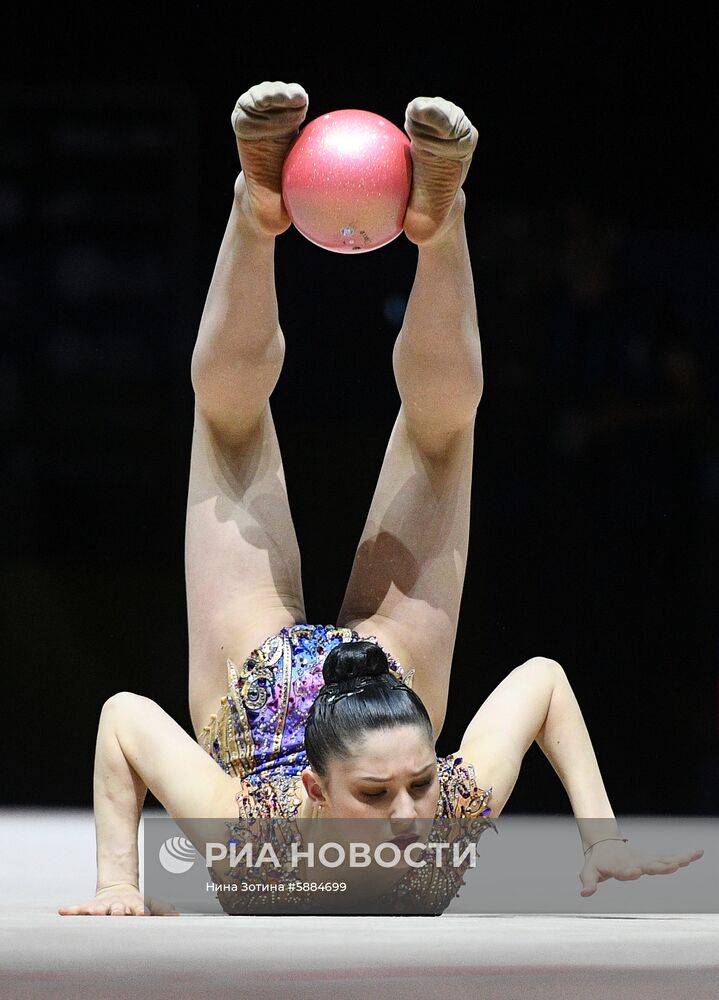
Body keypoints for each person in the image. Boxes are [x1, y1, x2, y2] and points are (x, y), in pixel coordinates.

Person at [59, 82, 702, 917]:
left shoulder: (249, 829)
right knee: (443, 437)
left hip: (256, 689)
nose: (409, 817)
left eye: (420, 785)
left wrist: (120, 879)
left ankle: (257, 209)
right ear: (319, 795)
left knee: (226, 426)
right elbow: (540, 681)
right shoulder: (423, 819)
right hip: (388, 679)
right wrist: (600, 835)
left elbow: (125, 720)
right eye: (377, 795)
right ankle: (442, 224)